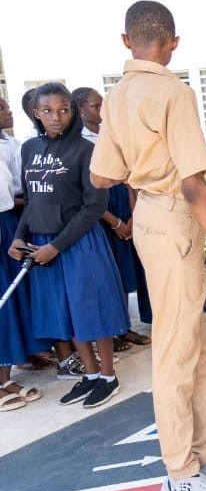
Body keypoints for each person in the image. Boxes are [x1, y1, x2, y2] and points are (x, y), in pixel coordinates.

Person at [90, 0, 206, 491]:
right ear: (174, 42)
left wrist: (142, 168)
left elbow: (101, 177)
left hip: (149, 220)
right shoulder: (172, 91)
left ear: (126, 41)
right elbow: (192, 185)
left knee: (192, 345)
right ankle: (179, 470)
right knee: (175, 351)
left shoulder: (116, 96)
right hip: (173, 220)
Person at [10, 83, 129, 408]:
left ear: (72, 111)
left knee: (92, 310)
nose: (56, 117)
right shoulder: (29, 149)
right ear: (36, 113)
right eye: (47, 111)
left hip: (79, 242)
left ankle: (108, 376)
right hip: (44, 243)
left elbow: (93, 206)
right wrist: (20, 237)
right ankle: (89, 374)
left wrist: (58, 246)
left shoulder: (84, 149)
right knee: (67, 313)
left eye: (63, 110)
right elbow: (32, 199)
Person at [75, 87, 153, 348]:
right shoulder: (79, 140)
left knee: (137, 264)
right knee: (113, 272)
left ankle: (138, 321)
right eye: (96, 106)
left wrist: (132, 210)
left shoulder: (112, 132)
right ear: (81, 109)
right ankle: (117, 329)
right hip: (101, 208)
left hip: (125, 199)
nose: (102, 110)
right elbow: (87, 190)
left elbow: (129, 170)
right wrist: (115, 221)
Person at [0, 98, 43, 410]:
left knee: (11, 298)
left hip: (8, 223)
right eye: (2, 107)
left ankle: (5, 373)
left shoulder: (10, 143)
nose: (9, 111)